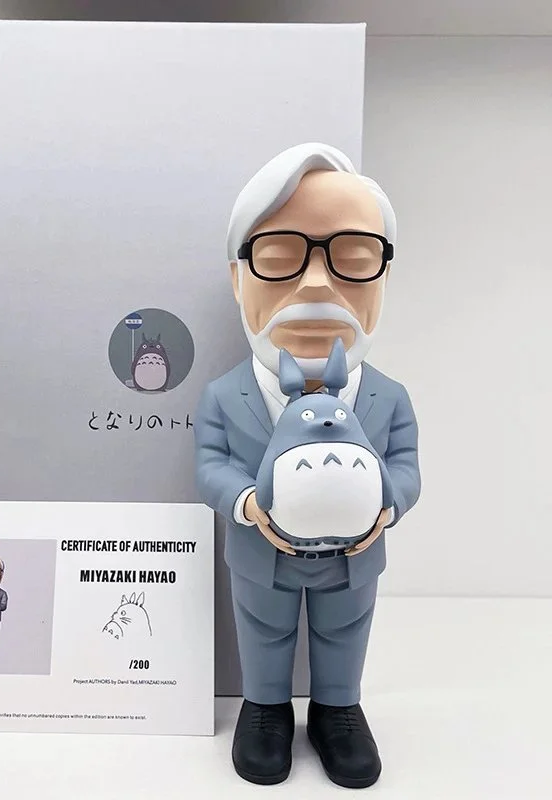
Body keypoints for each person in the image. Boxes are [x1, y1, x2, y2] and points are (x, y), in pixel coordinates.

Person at [194, 142, 421, 789]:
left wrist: (389, 505)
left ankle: (337, 711)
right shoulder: (224, 395)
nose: (317, 284)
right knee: (262, 634)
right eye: (278, 257)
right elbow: (210, 464)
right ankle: (264, 710)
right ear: (238, 277)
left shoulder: (389, 397)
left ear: (383, 278)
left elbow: (407, 465)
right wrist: (246, 502)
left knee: (344, 635)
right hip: (259, 558)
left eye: (354, 258)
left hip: (353, 561)